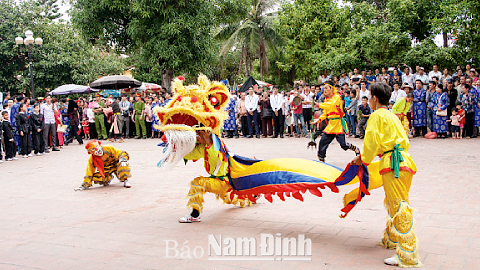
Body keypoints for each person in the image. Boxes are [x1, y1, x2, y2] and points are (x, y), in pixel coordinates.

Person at [350, 82, 422, 268]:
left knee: (399, 206)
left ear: (374, 98)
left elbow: (371, 143)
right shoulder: (391, 115)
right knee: (395, 202)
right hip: (403, 162)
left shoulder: (376, 116)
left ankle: (407, 254)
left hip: (393, 164)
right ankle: (391, 238)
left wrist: (362, 159)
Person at [314, 81, 359, 162]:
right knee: (322, 143)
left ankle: (355, 149)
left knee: (343, 145)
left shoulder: (337, 97)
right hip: (331, 125)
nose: (325, 90)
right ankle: (321, 161)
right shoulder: (326, 100)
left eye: (326, 88)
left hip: (338, 124)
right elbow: (325, 113)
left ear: (331, 89)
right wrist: (318, 119)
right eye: (324, 88)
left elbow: (331, 105)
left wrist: (318, 104)